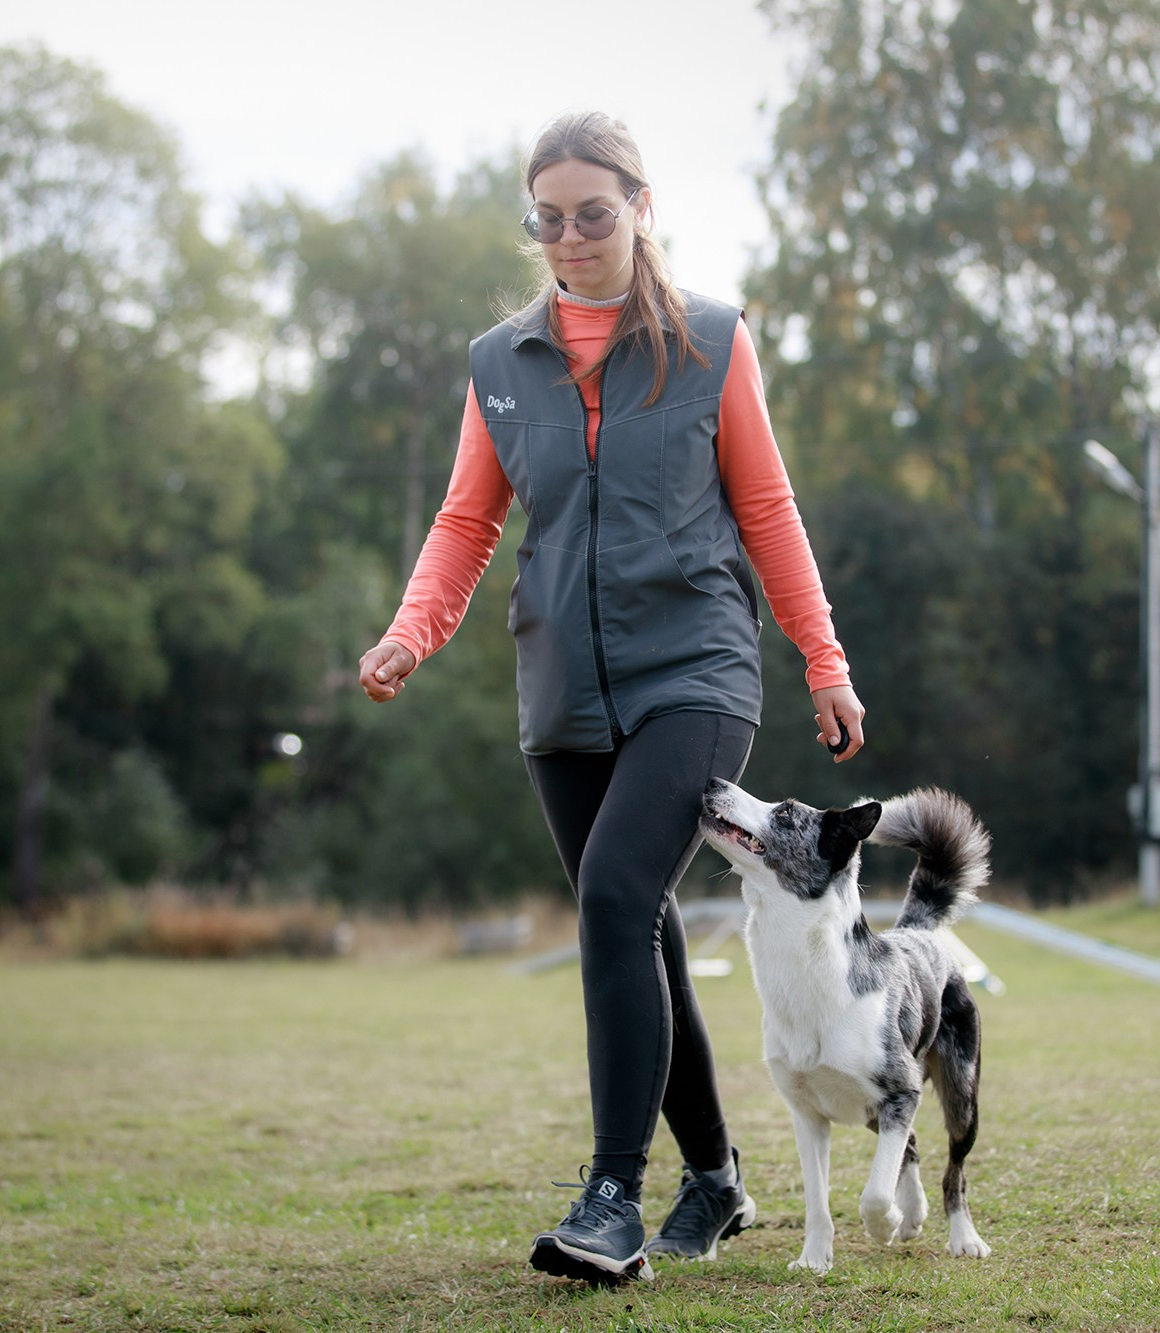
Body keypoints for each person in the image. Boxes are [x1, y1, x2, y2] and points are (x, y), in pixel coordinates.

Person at [357, 110, 864, 1285]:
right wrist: (408, 632)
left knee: (616, 893)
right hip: (560, 683)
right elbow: (467, 519)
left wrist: (821, 657)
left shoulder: (711, 342)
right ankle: (717, 1178)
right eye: (548, 219)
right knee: (631, 921)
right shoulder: (500, 363)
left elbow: (768, 508)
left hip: (694, 665)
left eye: (593, 212)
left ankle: (609, 1199)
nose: (571, 237)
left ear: (641, 206)